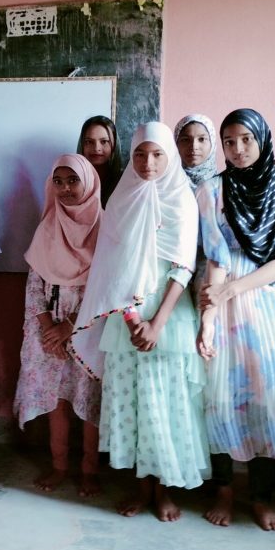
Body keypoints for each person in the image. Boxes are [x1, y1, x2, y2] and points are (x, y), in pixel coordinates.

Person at [72, 124, 208, 519]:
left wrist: (157, 322)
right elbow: (113, 267)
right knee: (132, 404)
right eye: (140, 155)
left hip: (169, 313)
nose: (148, 163)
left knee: (165, 403)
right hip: (126, 315)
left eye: (157, 155)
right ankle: (140, 486)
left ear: (169, 156)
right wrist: (133, 321)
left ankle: (165, 489)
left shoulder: (182, 198)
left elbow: (183, 267)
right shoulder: (121, 199)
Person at [196, 108, 275, 531]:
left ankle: (261, 495)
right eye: (229, 142)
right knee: (221, 400)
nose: (237, 149)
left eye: (246, 139)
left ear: (262, 140)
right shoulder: (212, 190)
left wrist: (232, 290)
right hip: (224, 306)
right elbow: (215, 256)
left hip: (267, 308)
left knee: (270, 403)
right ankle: (225, 491)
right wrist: (208, 320)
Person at [14, 154, 103, 496]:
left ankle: (90, 470)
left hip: (87, 327)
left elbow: (104, 288)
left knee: (89, 401)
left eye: (73, 180)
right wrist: (48, 328)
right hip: (47, 329)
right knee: (58, 402)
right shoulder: (47, 226)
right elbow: (34, 284)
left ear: (88, 182)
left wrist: (70, 327)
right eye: (58, 181)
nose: (65, 189)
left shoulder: (104, 229)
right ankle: (59, 466)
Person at [76, 115, 123, 205]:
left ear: (114, 146)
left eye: (104, 141)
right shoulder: (71, 179)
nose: (96, 148)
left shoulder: (125, 180)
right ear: (82, 145)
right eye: (89, 142)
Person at [173, 114, 218, 192]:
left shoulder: (223, 185)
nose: (194, 146)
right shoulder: (166, 185)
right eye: (186, 140)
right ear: (176, 143)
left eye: (201, 139)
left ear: (212, 143)